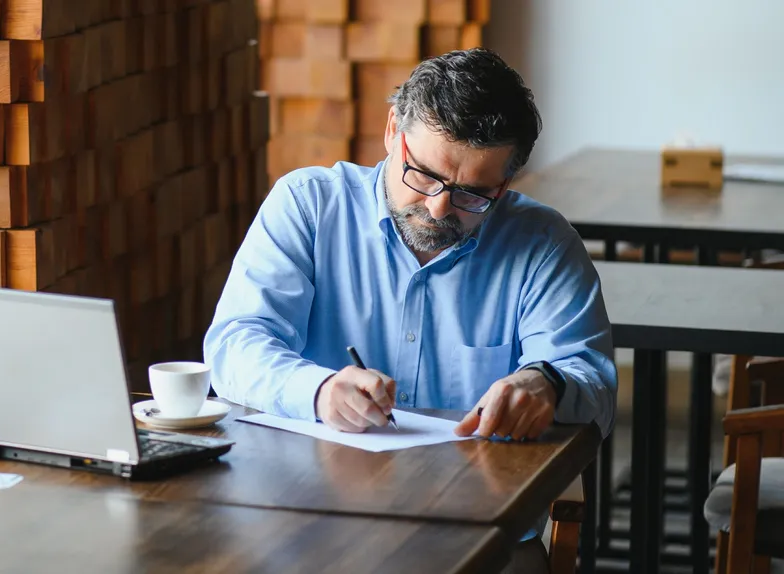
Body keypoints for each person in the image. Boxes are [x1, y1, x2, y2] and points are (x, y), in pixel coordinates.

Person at [202, 48, 617, 574]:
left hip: (480, 532)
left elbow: (594, 384)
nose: (439, 207)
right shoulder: (308, 205)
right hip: (309, 518)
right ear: (392, 130)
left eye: (472, 193)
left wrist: (547, 383)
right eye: (424, 175)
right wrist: (319, 390)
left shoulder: (542, 243)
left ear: (505, 184)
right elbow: (235, 344)